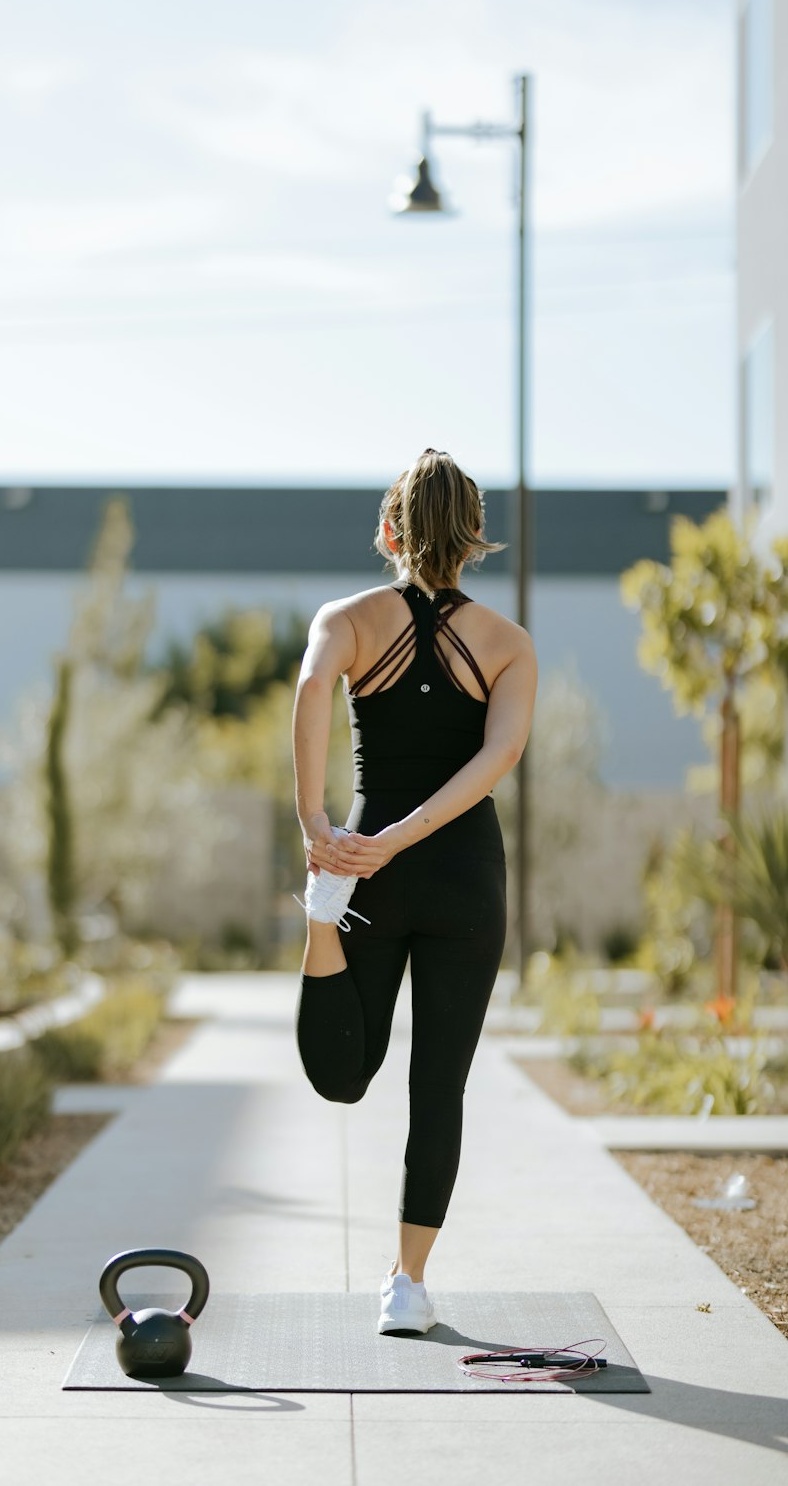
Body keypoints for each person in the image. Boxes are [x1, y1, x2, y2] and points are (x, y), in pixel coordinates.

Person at [291, 446, 537, 1336]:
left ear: (390, 529)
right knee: (440, 1089)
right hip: (465, 875)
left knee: (344, 1074)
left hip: (363, 869)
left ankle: (316, 920)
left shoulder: (347, 618)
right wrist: (397, 842)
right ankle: (409, 1283)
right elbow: (496, 758)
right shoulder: (509, 646)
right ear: (474, 540)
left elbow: (313, 685)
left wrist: (321, 826)